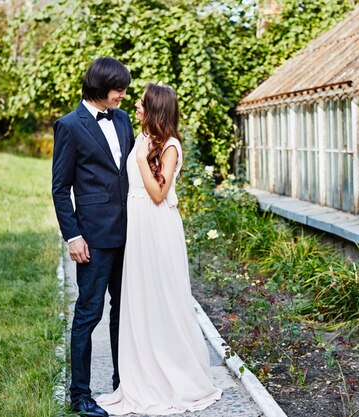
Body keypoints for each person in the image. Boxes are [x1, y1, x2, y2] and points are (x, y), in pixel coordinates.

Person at [97, 83, 222, 415]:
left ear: (156, 109)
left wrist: (140, 159)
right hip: (138, 229)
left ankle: (177, 378)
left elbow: (157, 193)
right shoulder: (143, 140)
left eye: (141, 103)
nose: (135, 106)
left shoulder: (168, 147)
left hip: (158, 228)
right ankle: (140, 376)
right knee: (140, 300)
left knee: (164, 300)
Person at [51, 57, 134, 417]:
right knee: (89, 313)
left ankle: (123, 384)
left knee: (124, 313)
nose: (123, 95)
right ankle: (80, 395)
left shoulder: (124, 119)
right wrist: (73, 236)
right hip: (93, 239)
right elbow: (60, 188)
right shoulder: (69, 126)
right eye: (119, 89)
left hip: (130, 234)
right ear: (101, 87)